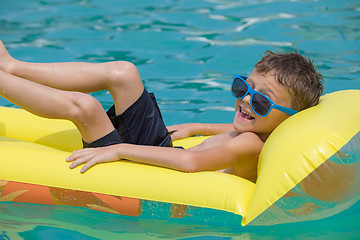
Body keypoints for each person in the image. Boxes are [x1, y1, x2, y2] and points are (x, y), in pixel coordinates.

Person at [0, 40, 324, 182]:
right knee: (123, 72)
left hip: (147, 172)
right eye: (243, 88)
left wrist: (122, 150)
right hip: (159, 150)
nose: (244, 101)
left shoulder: (252, 144)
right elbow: (233, 126)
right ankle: (12, 66)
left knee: (85, 107)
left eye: (261, 101)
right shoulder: (254, 128)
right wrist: (197, 126)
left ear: (287, 117)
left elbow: (191, 161)